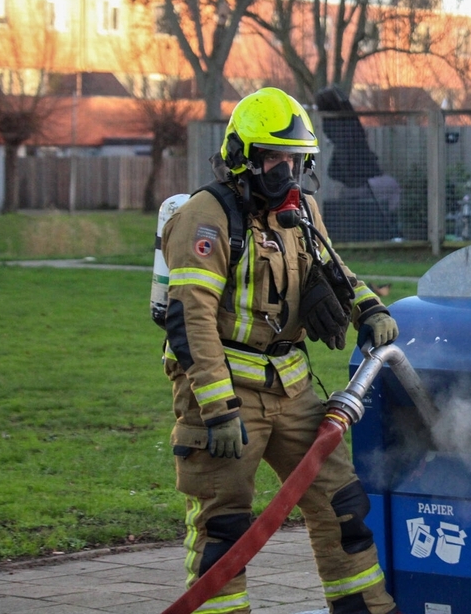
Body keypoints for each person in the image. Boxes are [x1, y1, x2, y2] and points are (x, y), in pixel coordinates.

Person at [160, 87, 400, 614]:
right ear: (242, 157)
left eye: (295, 160)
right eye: (274, 158)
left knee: (341, 504)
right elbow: (190, 319)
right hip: (225, 390)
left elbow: (334, 267)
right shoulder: (205, 216)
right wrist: (218, 409)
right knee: (224, 524)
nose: (287, 172)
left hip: (291, 386)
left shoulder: (302, 209)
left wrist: (370, 309)